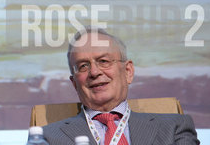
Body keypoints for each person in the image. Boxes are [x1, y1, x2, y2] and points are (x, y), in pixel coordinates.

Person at [43, 27, 200, 145]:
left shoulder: (173, 128)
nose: (94, 72)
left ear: (128, 71)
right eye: (83, 66)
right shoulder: (48, 138)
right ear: (74, 84)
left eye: (104, 61)